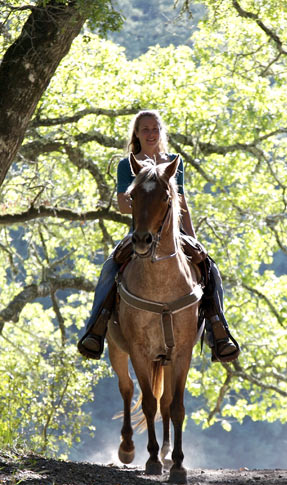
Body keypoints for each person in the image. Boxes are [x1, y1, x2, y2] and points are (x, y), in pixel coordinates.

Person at [77, 110, 240, 363]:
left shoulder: (174, 162)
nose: (151, 133)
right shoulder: (127, 164)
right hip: (141, 231)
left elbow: (182, 202)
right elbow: (122, 205)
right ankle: (95, 329)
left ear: (161, 132)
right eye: (145, 129)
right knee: (110, 268)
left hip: (174, 232)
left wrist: (194, 238)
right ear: (137, 133)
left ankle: (218, 330)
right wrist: (147, 202)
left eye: (155, 129)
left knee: (211, 269)